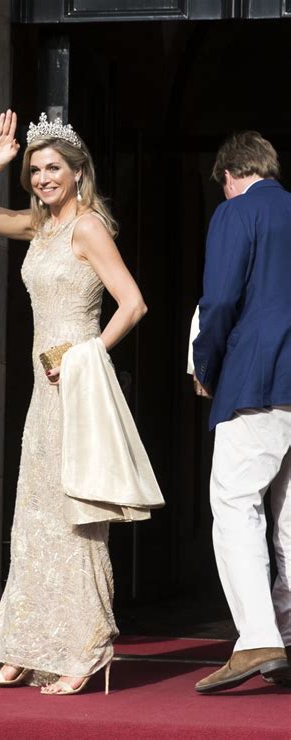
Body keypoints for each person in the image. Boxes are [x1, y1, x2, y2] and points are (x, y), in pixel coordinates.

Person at [0, 110, 161, 695]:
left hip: (75, 387)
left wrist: (83, 355)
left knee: (75, 517)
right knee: (34, 519)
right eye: (36, 169)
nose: (44, 177)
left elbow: (134, 303)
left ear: (78, 172)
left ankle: (85, 649)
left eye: (54, 168)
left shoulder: (89, 227)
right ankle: (26, 644)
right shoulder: (39, 226)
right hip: (41, 397)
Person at [192, 131, 290, 693]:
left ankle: (258, 638)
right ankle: (288, 635)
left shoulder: (236, 213)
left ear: (230, 175)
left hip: (258, 376)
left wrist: (206, 365)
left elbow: (221, 300)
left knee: (235, 504)